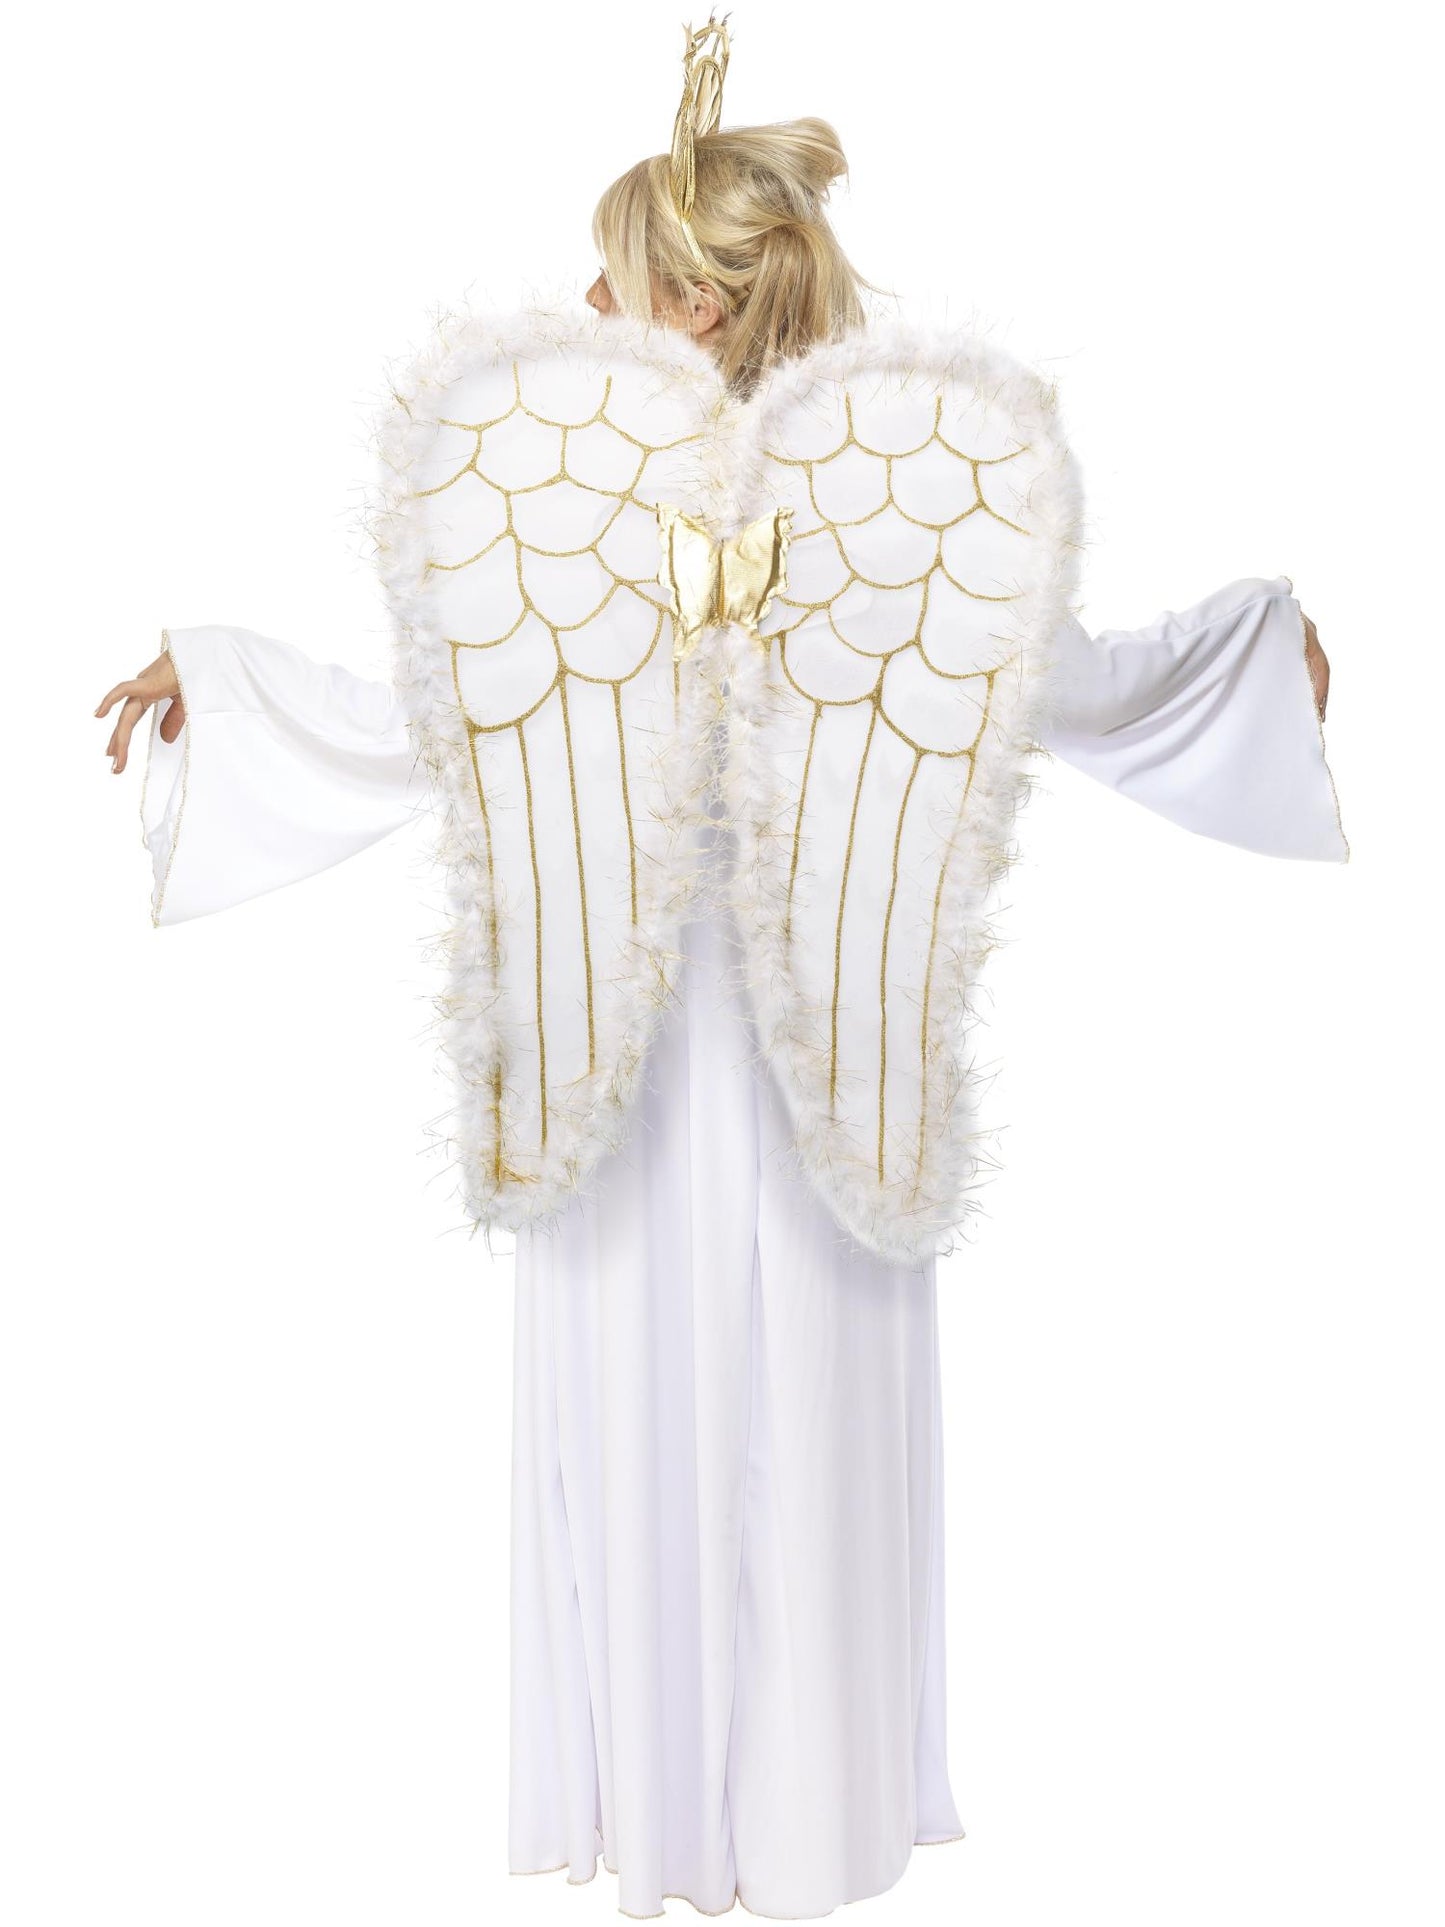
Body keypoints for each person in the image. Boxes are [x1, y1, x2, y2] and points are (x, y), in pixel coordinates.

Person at [93, 17, 1344, 1921]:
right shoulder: (563, 498)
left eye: (608, 280)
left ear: (687, 299)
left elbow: (1044, 676)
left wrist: (1249, 648)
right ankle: (668, 1801)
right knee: (641, 1371)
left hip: (817, 1041)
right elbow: (449, 715)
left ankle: (803, 1806)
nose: (579, 308)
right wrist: (226, 673)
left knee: (809, 1384)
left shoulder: (898, 493)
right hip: (623, 1032)